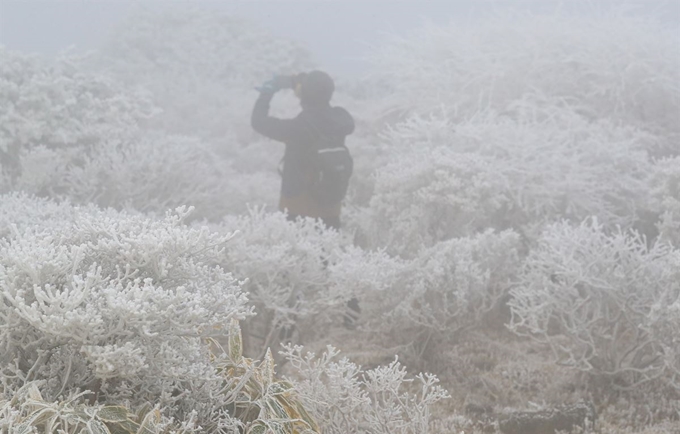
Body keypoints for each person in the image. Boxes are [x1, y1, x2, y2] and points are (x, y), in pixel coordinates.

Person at [251, 70, 354, 230]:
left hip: (297, 211)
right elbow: (318, 92)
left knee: (295, 254)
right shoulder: (340, 120)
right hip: (331, 209)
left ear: (302, 95)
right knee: (327, 254)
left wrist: (267, 93)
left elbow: (258, 122)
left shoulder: (297, 128)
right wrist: (303, 84)